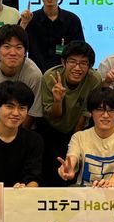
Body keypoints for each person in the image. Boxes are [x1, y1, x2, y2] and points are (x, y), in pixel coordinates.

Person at [39, 40, 102, 186]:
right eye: (72, 62)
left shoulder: (94, 80)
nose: (77, 68)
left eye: (84, 63)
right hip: (51, 129)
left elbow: (85, 114)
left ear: (90, 66)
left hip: (78, 129)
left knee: (74, 171)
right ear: (63, 62)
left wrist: (74, 144)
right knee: (52, 175)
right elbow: (52, 117)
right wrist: (57, 100)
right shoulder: (50, 77)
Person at [57, 87, 114, 187]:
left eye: (111, 110)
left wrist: (111, 184)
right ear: (90, 112)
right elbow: (72, 157)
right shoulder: (79, 137)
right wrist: (68, 168)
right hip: (86, 194)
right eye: (100, 110)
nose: (105, 115)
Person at [21, 0, 85, 73]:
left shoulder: (72, 20)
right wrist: (23, 23)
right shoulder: (29, 19)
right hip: (35, 74)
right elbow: (17, 45)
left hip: (65, 75)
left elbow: (80, 51)